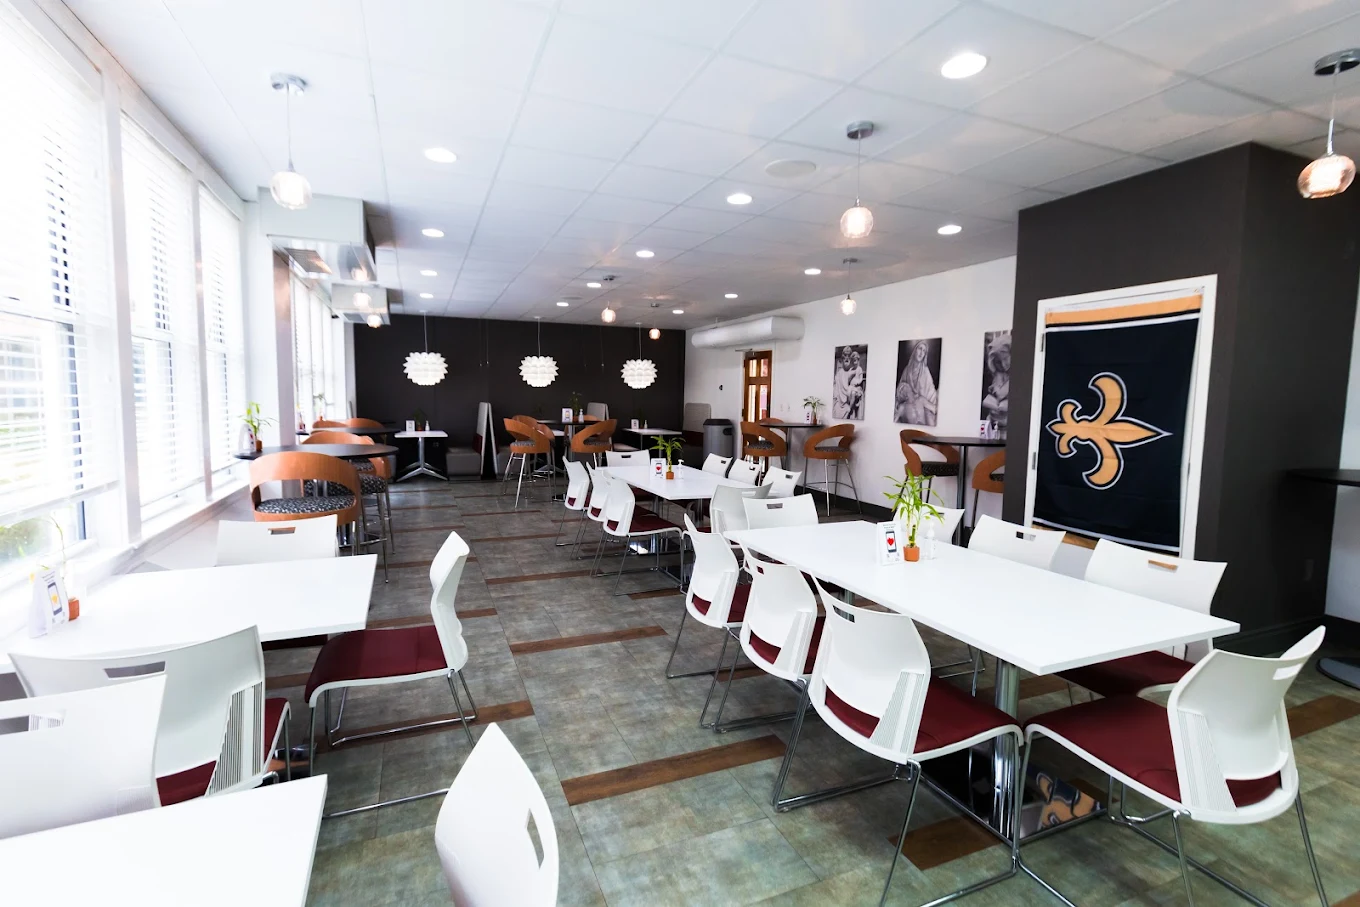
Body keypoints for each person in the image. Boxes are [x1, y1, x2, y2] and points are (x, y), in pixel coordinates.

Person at [895, 341, 938, 425]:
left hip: (924, 409)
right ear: (915, 350)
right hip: (909, 407)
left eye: (924, 351)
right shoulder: (907, 370)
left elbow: (931, 394)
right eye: (920, 349)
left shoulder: (925, 372)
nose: (921, 353)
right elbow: (899, 392)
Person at [982, 332, 1011, 434]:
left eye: (1005, 360)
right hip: (995, 422)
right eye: (998, 362)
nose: (1002, 365)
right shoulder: (997, 374)